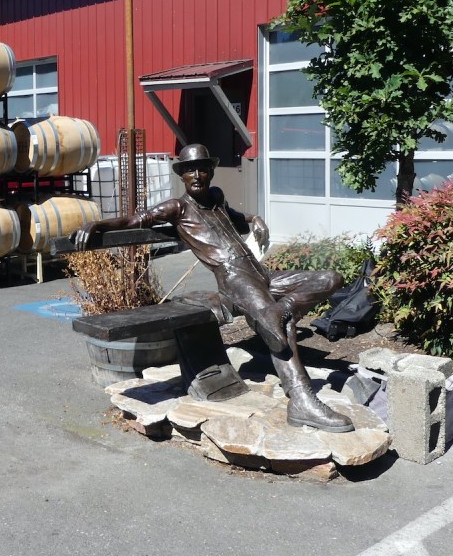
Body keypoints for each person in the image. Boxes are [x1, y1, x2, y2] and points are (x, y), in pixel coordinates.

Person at [74, 143, 354, 433]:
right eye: (190, 170)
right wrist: (98, 225)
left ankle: (279, 310)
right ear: (182, 175)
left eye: (203, 169)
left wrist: (253, 218)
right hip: (235, 280)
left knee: (330, 278)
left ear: (210, 172)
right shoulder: (178, 207)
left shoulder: (217, 197)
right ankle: (301, 401)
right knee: (280, 331)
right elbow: (136, 219)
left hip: (261, 273)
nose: (197, 174)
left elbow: (233, 215)